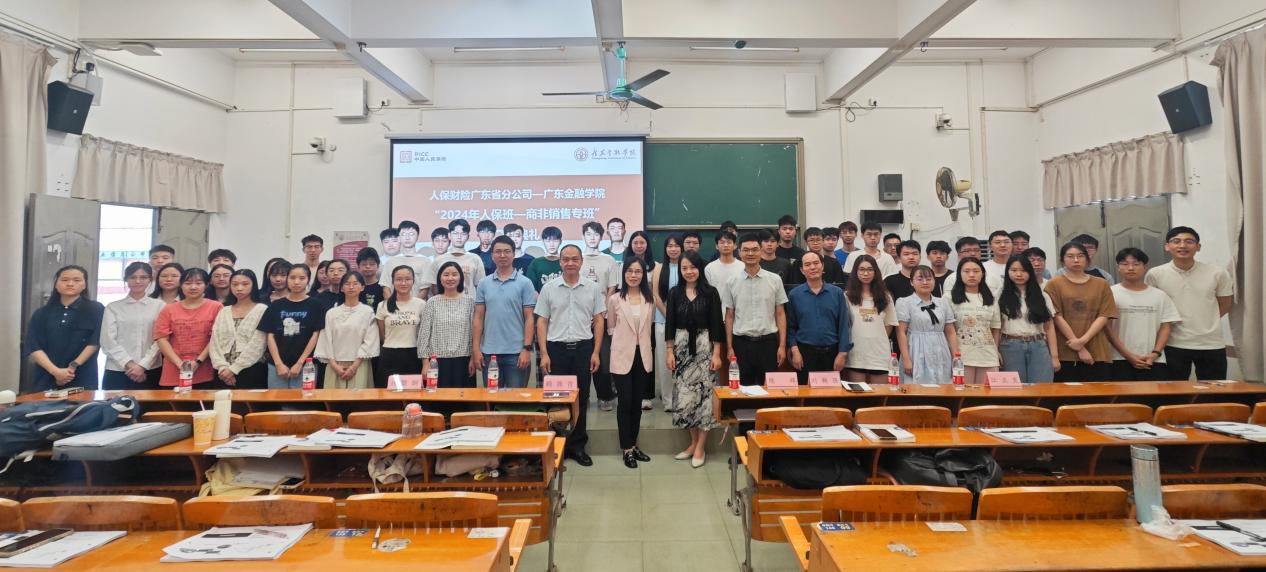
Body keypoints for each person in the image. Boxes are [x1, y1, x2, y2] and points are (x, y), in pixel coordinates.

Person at [536, 244, 606, 466]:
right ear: (560, 262)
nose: (570, 263)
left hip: (583, 349)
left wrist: (596, 352)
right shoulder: (549, 288)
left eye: (575, 259)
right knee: (556, 400)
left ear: (581, 261)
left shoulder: (593, 288)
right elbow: (542, 321)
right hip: (555, 351)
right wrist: (544, 353)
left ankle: (577, 446)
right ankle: (558, 445)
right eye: (565, 259)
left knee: (580, 399)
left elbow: (599, 320)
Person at [1144, 226, 1233, 380]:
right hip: (1172, 343)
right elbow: (1154, 308)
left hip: (1211, 343)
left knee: (1214, 390)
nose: (1182, 245)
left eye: (1189, 241)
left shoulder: (1217, 273)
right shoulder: (1155, 274)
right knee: (1173, 391)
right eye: (1176, 241)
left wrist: (1206, 318)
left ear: (1198, 247)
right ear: (1167, 246)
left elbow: (1225, 304)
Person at [664, 251, 723, 467]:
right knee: (685, 398)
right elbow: (670, 323)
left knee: (705, 398)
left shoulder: (711, 292)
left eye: (693, 267)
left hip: (704, 347)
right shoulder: (674, 293)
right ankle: (693, 443)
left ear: (700, 269)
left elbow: (716, 324)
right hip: (681, 349)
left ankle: (700, 447)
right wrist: (669, 351)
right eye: (684, 268)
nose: (689, 272)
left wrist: (717, 353)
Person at [606, 257, 654, 468]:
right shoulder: (615, 299)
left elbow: (648, 327)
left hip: (642, 356)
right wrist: (623, 343)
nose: (633, 275)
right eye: (629, 271)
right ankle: (626, 449)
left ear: (643, 275)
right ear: (623, 273)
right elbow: (611, 328)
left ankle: (634, 445)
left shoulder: (649, 299)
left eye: (638, 272)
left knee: (637, 404)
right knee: (625, 403)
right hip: (622, 356)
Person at [24, 265, 104, 393]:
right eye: (65, 280)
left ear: (84, 285)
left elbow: (95, 342)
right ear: (56, 284)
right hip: (46, 375)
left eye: (77, 280)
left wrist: (72, 367)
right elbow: (34, 346)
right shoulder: (42, 313)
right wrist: (55, 371)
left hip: (81, 375)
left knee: (81, 405)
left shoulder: (96, 309)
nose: (70, 284)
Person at [1046, 242, 1118, 382]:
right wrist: (1080, 348)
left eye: (1080, 256)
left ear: (1087, 259)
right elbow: (1056, 316)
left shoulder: (1101, 284)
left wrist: (1082, 341)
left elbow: (1104, 315)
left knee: (1098, 392)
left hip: (1096, 350)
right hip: (1064, 351)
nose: (1076, 260)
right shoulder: (1053, 284)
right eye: (1070, 256)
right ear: (1062, 260)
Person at [1106, 248, 1181, 382]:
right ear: (1118, 267)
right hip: (1117, 359)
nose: (1130, 268)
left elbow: (1166, 327)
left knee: (1154, 395)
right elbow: (1107, 327)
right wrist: (1127, 354)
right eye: (1125, 264)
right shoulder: (1110, 293)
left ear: (1145, 267)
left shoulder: (1160, 295)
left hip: (1153, 360)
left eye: (1136, 264)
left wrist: (1155, 353)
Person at [724, 233, 788, 385]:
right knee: (743, 390)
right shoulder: (731, 282)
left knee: (769, 389)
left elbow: (780, 314)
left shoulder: (775, 280)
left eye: (754, 249)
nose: (750, 253)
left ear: (761, 251)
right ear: (739, 253)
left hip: (768, 343)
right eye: (746, 250)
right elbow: (729, 316)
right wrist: (730, 347)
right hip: (741, 344)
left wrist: (782, 346)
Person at [473, 236, 536, 389]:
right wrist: (476, 349)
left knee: (515, 399)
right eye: (498, 252)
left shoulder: (525, 283)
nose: (502, 255)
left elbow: (529, 318)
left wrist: (526, 348)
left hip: (517, 353)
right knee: (492, 398)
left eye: (507, 251)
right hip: (489, 353)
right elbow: (478, 317)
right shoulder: (483, 283)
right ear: (492, 255)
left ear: (514, 254)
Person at [786, 251, 852, 385]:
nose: (812, 267)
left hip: (832, 353)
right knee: (805, 394)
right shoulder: (794, 295)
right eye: (807, 264)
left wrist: (842, 353)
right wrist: (795, 351)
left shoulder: (837, 293)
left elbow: (843, 325)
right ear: (802, 270)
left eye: (816, 263)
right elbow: (791, 327)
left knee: (831, 394)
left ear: (822, 266)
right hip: (804, 353)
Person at [154, 268, 223, 389]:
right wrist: (180, 364)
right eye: (188, 283)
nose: (193, 287)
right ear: (181, 285)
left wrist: (198, 362)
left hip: (205, 370)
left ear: (206, 285)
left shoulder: (216, 307)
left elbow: (216, 338)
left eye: (198, 283)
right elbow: (161, 338)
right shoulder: (168, 309)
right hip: (174, 370)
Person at [258, 264, 324, 389]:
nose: (296, 282)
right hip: (276, 365)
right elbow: (270, 336)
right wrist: (278, 364)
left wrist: (300, 363)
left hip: (307, 365)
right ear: (287, 279)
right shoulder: (276, 305)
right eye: (292, 278)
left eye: (302, 278)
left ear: (308, 280)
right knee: (276, 399)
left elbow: (316, 335)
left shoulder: (317, 305)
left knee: (304, 399)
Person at [101, 262, 164, 390]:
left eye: (143, 277)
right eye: (132, 277)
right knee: (115, 403)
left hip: (151, 369)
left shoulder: (159, 306)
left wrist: (143, 365)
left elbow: (161, 339)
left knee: (151, 403)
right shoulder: (113, 307)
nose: (138, 281)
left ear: (150, 280)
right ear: (126, 279)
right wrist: (129, 364)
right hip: (118, 370)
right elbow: (107, 341)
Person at [998, 255, 1061, 383]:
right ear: (1007, 272)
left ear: (1030, 272)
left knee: (1042, 387)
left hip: (1038, 345)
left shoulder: (1042, 295)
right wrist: (996, 352)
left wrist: (1054, 356)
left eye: (1023, 270)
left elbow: (1049, 327)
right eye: (1014, 270)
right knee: (1014, 389)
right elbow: (995, 327)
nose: (1018, 274)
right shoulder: (999, 295)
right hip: (1010, 346)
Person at [315, 272, 380, 389]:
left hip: (360, 365)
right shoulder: (331, 313)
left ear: (362, 287)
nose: (351, 287)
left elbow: (370, 341)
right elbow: (326, 340)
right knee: (334, 398)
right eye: (347, 284)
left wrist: (354, 367)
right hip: (335, 366)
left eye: (355, 284)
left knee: (359, 398)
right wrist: (334, 365)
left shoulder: (368, 312)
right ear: (341, 288)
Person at [416, 262, 476, 388]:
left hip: (463, 360)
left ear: (460, 278)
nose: (450, 278)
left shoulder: (470, 301)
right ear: (440, 278)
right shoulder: (432, 302)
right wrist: (425, 363)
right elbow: (424, 334)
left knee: (463, 397)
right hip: (436, 362)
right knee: (438, 398)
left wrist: (473, 358)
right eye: (446, 275)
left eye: (454, 274)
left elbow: (473, 333)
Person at [896, 266, 959, 384]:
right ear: (911, 282)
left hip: (941, 350)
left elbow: (951, 332)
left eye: (929, 279)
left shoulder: (943, 302)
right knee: (917, 386)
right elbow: (901, 332)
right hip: (916, 349)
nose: (925, 282)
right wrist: (906, 359)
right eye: (920, 279)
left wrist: (956, 358)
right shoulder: (904, 302)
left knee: (943, 385)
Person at [842, 255, 897, 384]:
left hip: (879, 353)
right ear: (855, 272)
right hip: (856, 352)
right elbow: (845, 325)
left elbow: (889, 325)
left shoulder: (886, 297)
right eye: (861, 269)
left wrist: (875, 338)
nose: (865, 273)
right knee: (857, 393)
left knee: (880, 393)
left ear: (875, 272)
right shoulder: (847, 296)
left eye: (870, 269)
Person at [208, 269, 268, 389]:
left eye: (245, 284)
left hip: (251, 369)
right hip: (222, 372)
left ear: (253, 285)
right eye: (235, 284)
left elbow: (258, 343)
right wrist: (222, 367)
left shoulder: (261, 309)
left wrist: (234, 369)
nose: (239, 288)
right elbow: (214, 342)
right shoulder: (224, 311)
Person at [948, 258, 1001, 385]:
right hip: (962, 357)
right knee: (962, 393)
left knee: (987, 394)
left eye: (976, 271)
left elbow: (995, 328)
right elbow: (949, 330)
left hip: (988, 357)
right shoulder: (949, 298)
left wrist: (995, 351)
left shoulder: (991, 298)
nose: (971, 275)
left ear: (983, 274)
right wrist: (955, 355)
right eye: (966, 271)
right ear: (959, 274)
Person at [376, 265, 424, 388]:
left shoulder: (421, 304)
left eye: (407, 279)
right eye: (399, 279)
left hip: (413, 355)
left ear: (413, 281)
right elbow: (382, 335)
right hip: (389, 355)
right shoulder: (382, 305)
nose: (403, 283)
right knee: (389, 395)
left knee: (413, 393)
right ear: (392, 282)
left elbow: (423, 334)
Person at [652, 234, 683, 410]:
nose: (673, 249)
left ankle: (682, 398)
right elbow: (656, 295)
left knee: (683, 362)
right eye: (670, 246)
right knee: (665, 363)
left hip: (685, 322)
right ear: (665, 249)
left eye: (676, 245)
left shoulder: (687, 266)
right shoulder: (659, 268)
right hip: (663, 321)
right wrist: (669, 316)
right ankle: (668, 400)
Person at [433, 219, 485, 292]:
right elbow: (434, 286)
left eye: (463, 234)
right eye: (455, 233)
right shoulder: (439, 260)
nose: (459, 237)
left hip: (470, 299)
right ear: (449, 235)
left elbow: (480, 286)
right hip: (446, 299)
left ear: (468, 236)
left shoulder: (475, 259)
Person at [393, 222, 433, 295]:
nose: (407, 238)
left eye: (411, 234)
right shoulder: (391, 261)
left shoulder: (426, 261)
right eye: (403, 234)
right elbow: (386, 288)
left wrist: (415, 302)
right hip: (396, 301)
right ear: (398, 238)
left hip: (418, 301)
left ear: (417, 237)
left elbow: (425, 289)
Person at [705, 230, 743, 303]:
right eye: (722, 242)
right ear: (717, 246)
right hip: (716, 307)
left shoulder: (743, 266)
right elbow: (708, 293)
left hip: (739, 306)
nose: (726, 245)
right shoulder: (709, 268)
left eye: (729, 242)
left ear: (735, 246)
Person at [579, 221, 617, 292]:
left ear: (601, 237)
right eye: (588, 234)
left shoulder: (609, 260)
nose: (592, 238)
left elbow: (612, 287)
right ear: (583, 237)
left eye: (596, 234)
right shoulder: (577, 259)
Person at [525, 226, 564, 292]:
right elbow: (530, 288)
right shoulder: (536, 263)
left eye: (555, 240)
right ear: (543, 241)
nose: (552, 244)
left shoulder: (565, 262)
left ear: (560, 241)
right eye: (548, 241)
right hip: (541, 298)